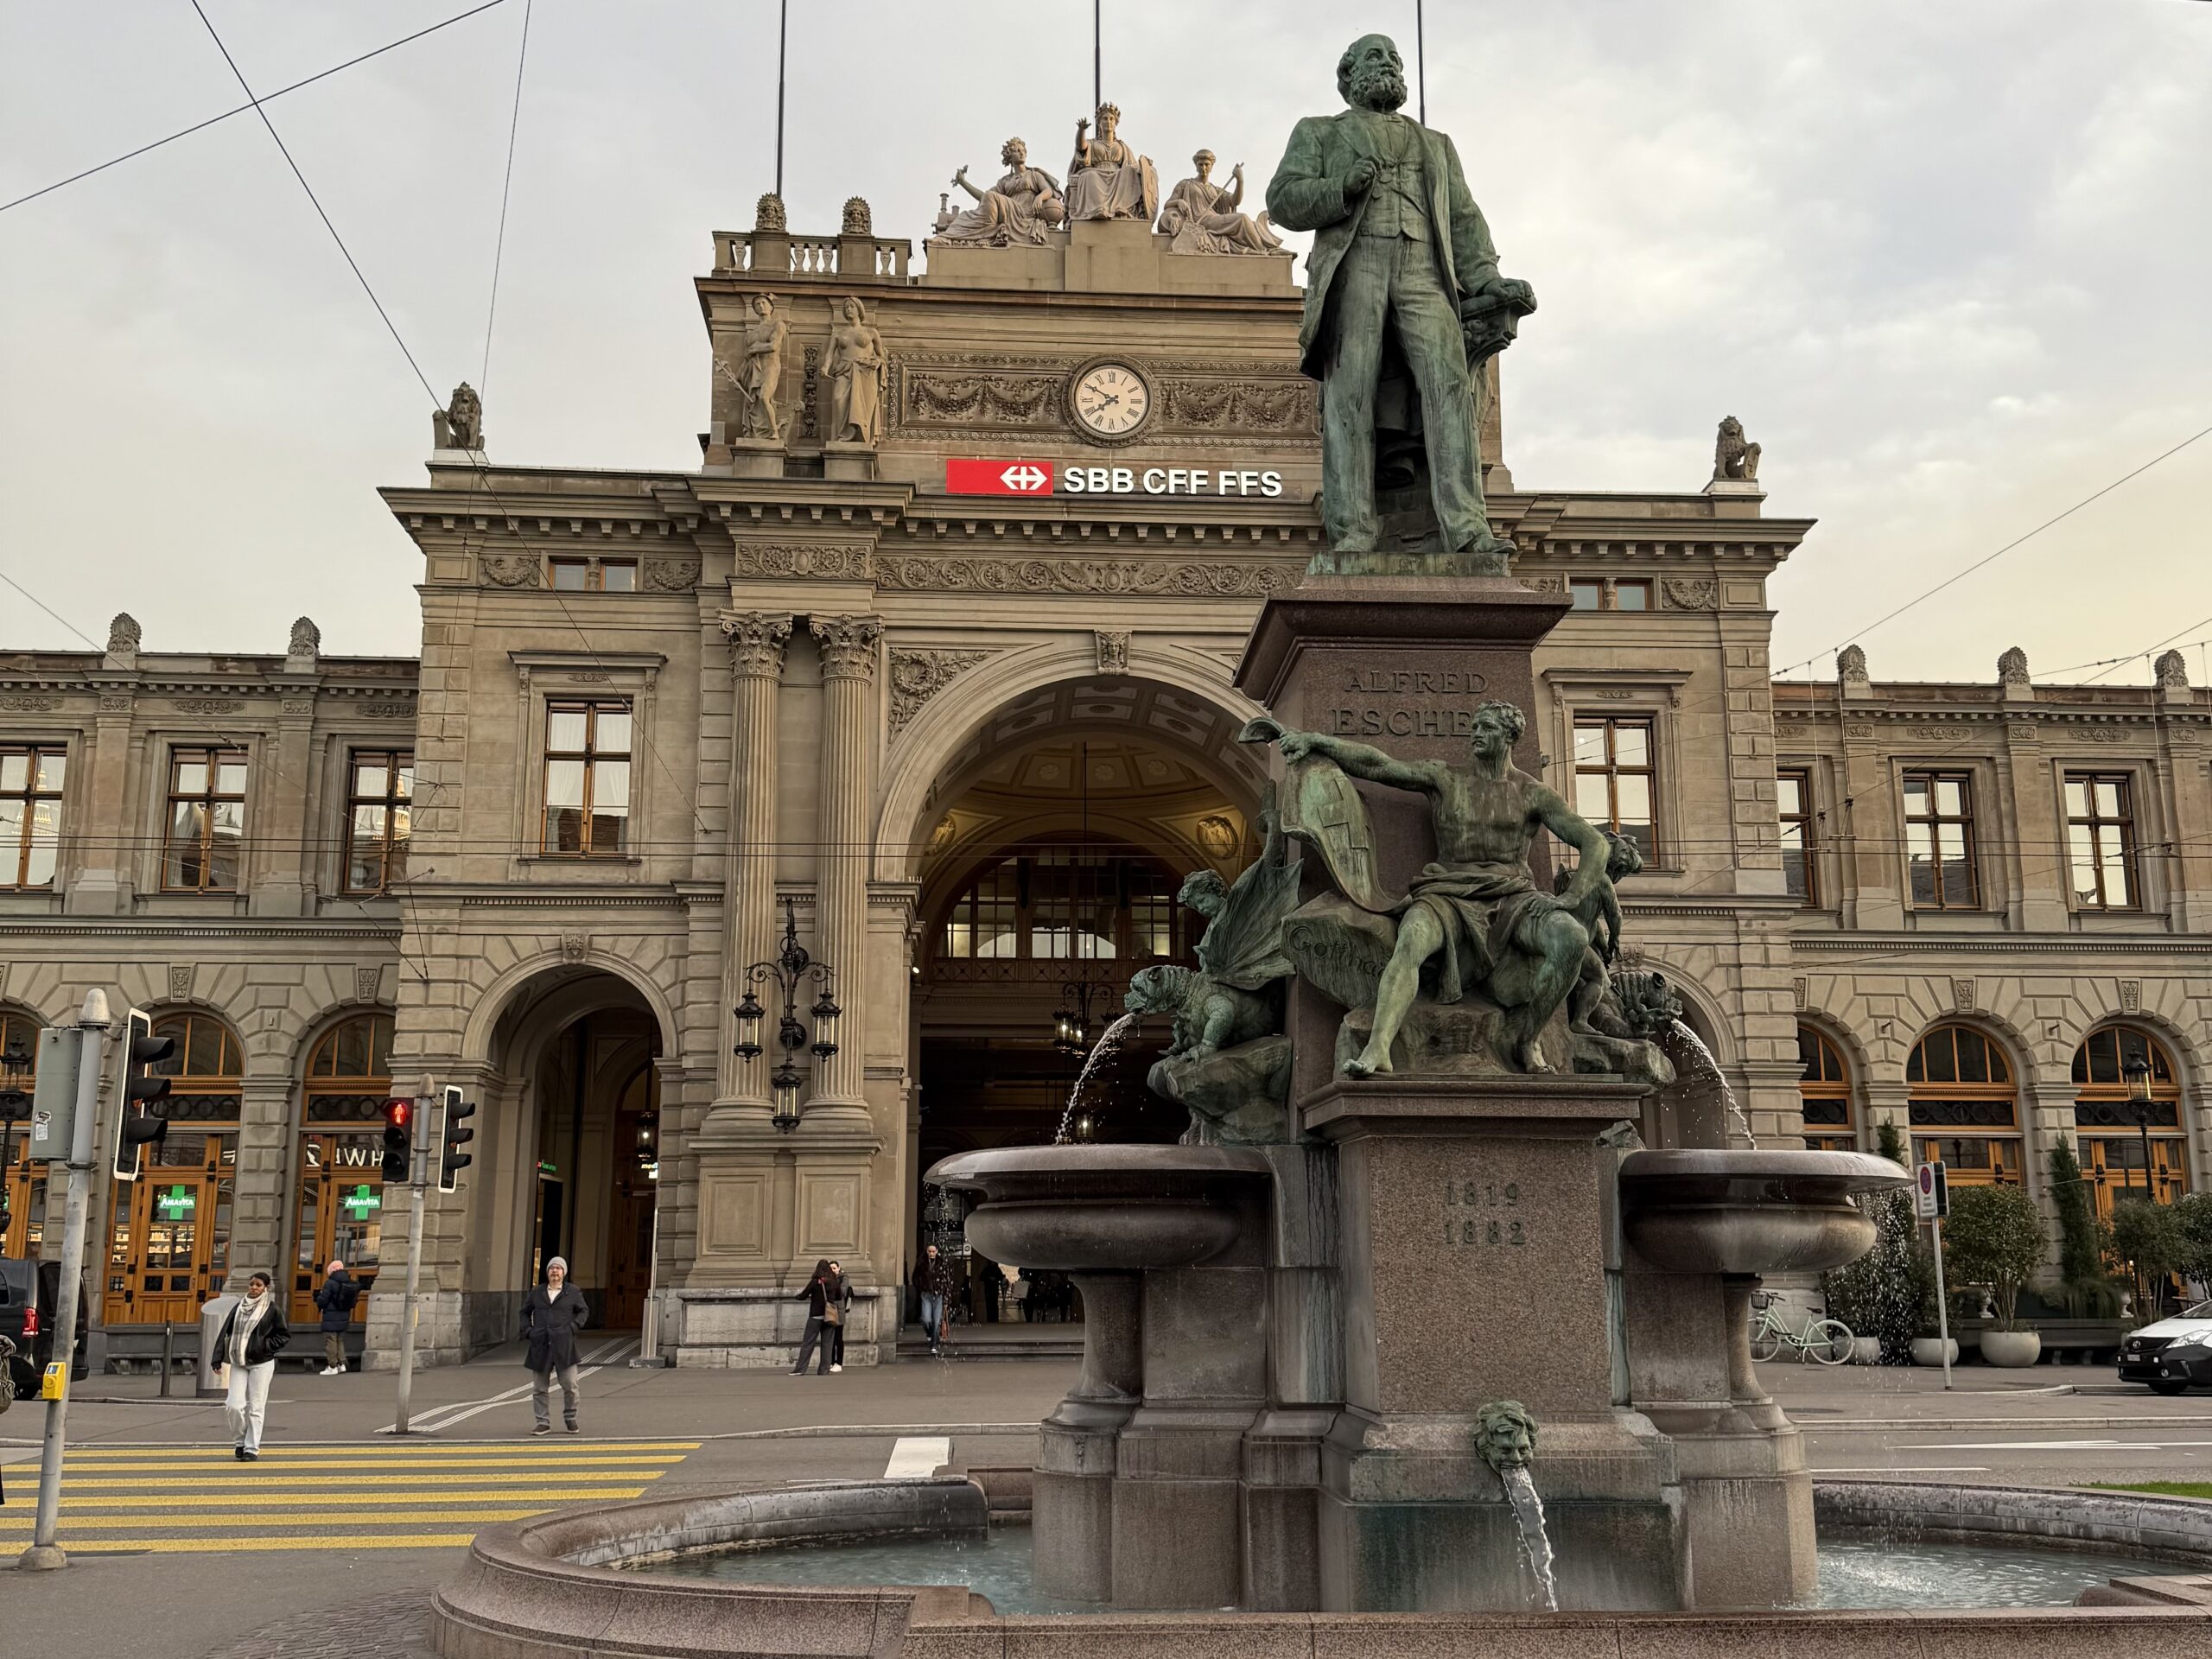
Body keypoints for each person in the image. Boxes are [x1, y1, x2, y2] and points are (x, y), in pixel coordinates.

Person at [213, 1271, 289, 1461]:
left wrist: (264, 1347)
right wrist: (217, 1358)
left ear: (266, 1288)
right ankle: (240, 1442)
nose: (254, 1288)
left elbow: (283, 1335)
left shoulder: (272, 1310)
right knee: (233, 1406)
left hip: (262, 1363)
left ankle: (251, 1448)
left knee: (256, 1407)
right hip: (238, 1361)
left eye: (258, 1285)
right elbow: (225, 1332)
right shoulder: (238, 1307)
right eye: (252, 1285)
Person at [521, 1255, 588, 1435]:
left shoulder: (573, 1292)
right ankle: (543, 1422)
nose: (555, 1271)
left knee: (571, 1385)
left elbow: (583, 1311)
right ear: (547, 1272)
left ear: (563, 1272)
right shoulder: (537, 1292)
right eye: (552, 1268)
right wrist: (529, 1331)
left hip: (564, 1344)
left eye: (558, 1268)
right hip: (541, 1344)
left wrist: (573, 1328)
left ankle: (570, 1418)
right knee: (539, 1388)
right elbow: (524, 1312)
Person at [791, 1258, 838, 1376]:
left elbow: (803, 1295)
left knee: (808, 1343)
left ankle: (800, 1369)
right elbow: (839, 1297)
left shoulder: (815, 1282)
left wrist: (797, 1297)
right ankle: (824, 1370)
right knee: (827, 1344)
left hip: (816, 1316)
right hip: (829, 1316)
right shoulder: (834, 1282)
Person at [312, 1257, 358, 1376]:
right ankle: (341, 1364)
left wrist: (318, 1297)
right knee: (339, 1340)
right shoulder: (348, 1281)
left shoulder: (330, 1282)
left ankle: (332, 1365)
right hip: (344, 1317)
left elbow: (323, 1301)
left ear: (331, 1270)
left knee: (330, 1340)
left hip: (331, 1317)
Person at [912, 1243, 952, 1357]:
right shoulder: (922, 1263)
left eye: (933, 1251)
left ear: (937, 1251)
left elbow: (947, 1280)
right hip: (926, 1294)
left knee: (937, 1320)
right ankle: (930, 1333)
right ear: (927, 1252)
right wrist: (921, 1287)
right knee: (925, 1319)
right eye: (930, 1251)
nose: (931, 1253)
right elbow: (915, 1277)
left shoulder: (941, 1263)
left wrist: (947, 1297)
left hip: (938, 1295)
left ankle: (933, 1344)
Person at [825, 1259, 853, 1373]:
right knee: (830, 1337)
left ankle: (839, 1363)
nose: (832, 1270)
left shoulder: (843, 1277)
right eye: (830, 1269)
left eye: (834, 1268)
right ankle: (831, 1361)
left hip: (839, 1310)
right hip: (831, 1309)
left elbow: (842, 1292)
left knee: (838, 1338)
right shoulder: (829, 1278)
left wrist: (832, 1283)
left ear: (838, 1268)